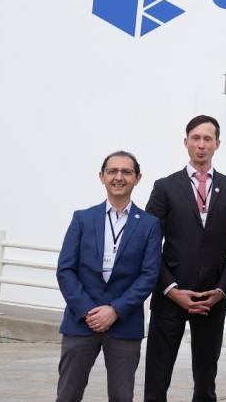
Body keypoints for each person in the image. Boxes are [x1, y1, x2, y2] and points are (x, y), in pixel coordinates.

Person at [144, 115, 226, 402]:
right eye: (196, 138)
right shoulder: (164, 187)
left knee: (205, 381)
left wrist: (221, 291)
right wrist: (170, 290)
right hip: (169, 296)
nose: (201, 145)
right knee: (157, 377)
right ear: (186, 142)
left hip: (211, 299)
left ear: (217, 144)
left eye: (208, 139)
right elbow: (150, 245)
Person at [55, 151, 162, 402]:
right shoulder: (82, 218)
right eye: (112, 171)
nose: (119, 177)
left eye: (126, 172)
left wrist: (114, 310)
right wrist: (88, 310)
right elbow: (65, 269)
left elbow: (149, 275)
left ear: (138, 178)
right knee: (68, 395)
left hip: (125, 324)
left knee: (122, 397)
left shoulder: (149, 224)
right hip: (81, 322)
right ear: (101, 177)